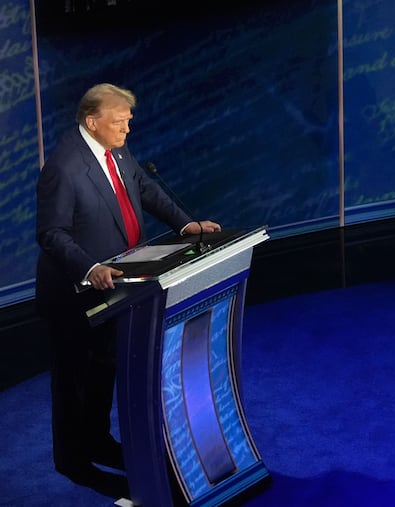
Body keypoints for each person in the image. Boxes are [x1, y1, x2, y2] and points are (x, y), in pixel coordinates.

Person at [35, 83, 221, 495]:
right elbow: (51, 233)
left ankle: (98, 440)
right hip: (75, 294)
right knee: (74, 380)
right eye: (120, 122)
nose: (127, 130)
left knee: (103, 370)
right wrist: (90, 266)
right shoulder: (63, 168)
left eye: (128, 122)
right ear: (92, 122)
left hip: (118, 287)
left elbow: (144, 189)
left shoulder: (116, 150)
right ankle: (73, 460)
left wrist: (186, 225)